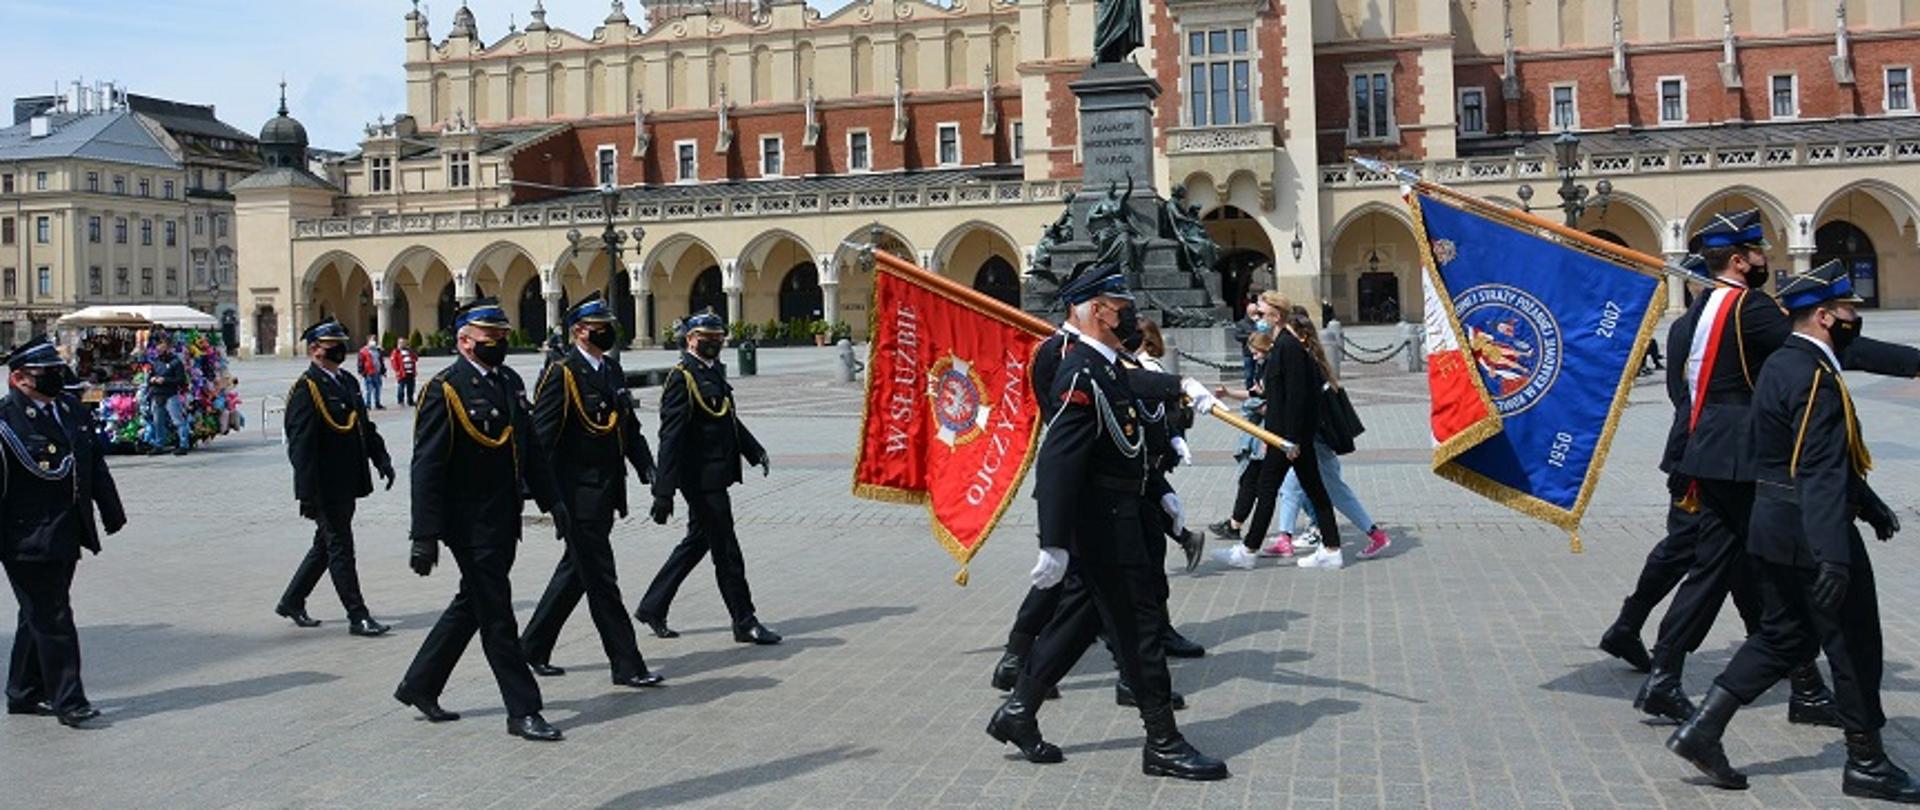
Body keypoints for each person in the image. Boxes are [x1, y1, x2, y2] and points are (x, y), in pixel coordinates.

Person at [1630, 211, 1920, 727]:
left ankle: (1671, 677)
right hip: (1747, 460)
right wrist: (1914, 361)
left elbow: (1682, 388)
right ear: (1740, 260)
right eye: (1759, 251)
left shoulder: (1698, 311)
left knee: (1718, 567)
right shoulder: (1751, 308)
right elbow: (1824, 347)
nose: (1767, 259)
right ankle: (1805, 689)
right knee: (1789, 573)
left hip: (1704, 451)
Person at [985, 263, 1227, 781]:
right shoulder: (1080, 372)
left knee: (1081, 619)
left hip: (1119, 510)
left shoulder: (1106, 367)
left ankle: (1018, 709)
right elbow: (1058, 460)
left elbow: (1128, 433)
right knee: (1139, 627)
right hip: (1101, 523)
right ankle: (1162, 740)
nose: (1130, 317)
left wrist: (1159, 486)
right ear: (1096, 310)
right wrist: (1052, 542)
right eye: (1121, 309)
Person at [396, 298, 571, 742]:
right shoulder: (445, 388)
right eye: (490, 337)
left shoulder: (509, 382)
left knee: (471, 604)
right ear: (465, 341)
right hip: (468, 525)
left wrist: (554, 503)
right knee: (497, 615)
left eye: (502, 336)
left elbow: (530, 450)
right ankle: (523, 709)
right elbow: (427, 467)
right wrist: (425, 535)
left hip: (503, 517)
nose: (499, 343)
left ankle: (420, 683)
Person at [519, 293, 665, 689]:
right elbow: (542, 438)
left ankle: (531, 647)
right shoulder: (561, 373)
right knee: (601, 579)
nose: (608, 330)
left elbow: (627, 426)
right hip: (575, 495)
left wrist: (647, 467)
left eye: (608, 323)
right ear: (580, 331)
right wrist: (540, 495)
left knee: (575, 573)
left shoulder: (612, 370)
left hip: (605, 491)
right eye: (600, 324)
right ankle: (627, 663)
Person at [633, 309, 781, 645]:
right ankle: (744, 621)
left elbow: (727, 419)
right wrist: (663, 493)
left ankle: (652, 606)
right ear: (690, 339)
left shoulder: (711, 373)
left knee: (697, 542)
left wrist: (753, 450)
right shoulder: (682, 378)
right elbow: (670, 439)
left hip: (716, 474)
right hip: (700, 480)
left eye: (718, 337)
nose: (714, 342)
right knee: (726, 551)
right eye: (707, 337)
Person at [1, 337, 125, 728]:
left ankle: (22, 692)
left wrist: (110, 510)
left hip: (68, 529)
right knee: (53, 614)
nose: (58, 376)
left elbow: (92, 462)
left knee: (36, 613)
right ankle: (69, 699)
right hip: (25, 537)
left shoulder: (69, 409)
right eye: (47, 372)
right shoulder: (7, 421)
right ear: (19, 379)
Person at [275, 318, 395, 637]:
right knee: (340, 546)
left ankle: (292, 599)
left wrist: (381, 458)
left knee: (326, 545)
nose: (341, 350)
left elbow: (363, 426)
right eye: (333, 345)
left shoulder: (347, 381)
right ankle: (358, 615)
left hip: (349, 479)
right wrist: (306, 494)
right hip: (324, 485)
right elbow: (300, 448)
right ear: (315, 350)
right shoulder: (306, 388)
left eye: (342, 343)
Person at [1215, 291, 1340, 570]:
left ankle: (1249, 551)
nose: (1257, 316)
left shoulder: (1287, 347)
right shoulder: (1283, 344)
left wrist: (1289, 440)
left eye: (1261, 312)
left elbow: (1296, 398)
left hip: (1287, 437)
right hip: (1286, 436)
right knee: (1313, 489)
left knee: (1269, 487)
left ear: (1276, 314)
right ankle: (1331, 548)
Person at [1262, 307, 1390, 561]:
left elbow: (1302, 403)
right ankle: (1285, 538)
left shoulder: (1304, 360)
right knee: (1293, 487)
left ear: (1300, 337)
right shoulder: (1310, 357)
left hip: (1315, 439)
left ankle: (1373, 535)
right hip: (1313, 437)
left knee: (1331, 489)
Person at [1207, 331, 1273, 543]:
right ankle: (1235, 525)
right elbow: (1255, 394)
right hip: (1264, 433)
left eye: (1256, 353)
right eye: (1252, 354)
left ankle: (1315, 527)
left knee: (1292, 489)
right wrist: (1228, 393)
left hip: (1270, 434)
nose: (1254, 357)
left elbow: (1270, 404)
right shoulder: (1264, 366)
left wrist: (1258, 406)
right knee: (1252, 480)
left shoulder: (1273, 366)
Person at [145, 333, 191, 455]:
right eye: (158, 346)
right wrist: (152, 379)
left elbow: (181, 380)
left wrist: (165, 380)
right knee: (157, 422)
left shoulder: (176, 362)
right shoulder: (155, 362)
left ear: (168, 347)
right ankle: (159, 444)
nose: (159, 349)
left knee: (178, 421)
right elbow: (149, 377)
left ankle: (184, 444)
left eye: (162, 346)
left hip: (171, 395)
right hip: (157, 395)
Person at [358, 337, 386, 410]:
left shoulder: (378, 350)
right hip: (368, 373)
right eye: (372, 340)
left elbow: (381, 361)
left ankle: (377, 403)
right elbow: (360, 362)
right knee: (368, 390)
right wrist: (361, 371)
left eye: (374, 340)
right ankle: (368, 404)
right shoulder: (363, 351)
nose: (373, 342)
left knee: (378, 389)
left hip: (377, 373)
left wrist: (383, 371)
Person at [390, 337, 420, 407]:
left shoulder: (409, 351)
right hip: (402, 373)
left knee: (411, 387)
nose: (402, 344)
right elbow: (394, 362)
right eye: (401, 343)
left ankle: (410, 401)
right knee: (401, 388)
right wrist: (397, 371)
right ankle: (400, 401)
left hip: (410, 372)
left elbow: (416, 358)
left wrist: (412, 351)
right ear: (398, 344)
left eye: (404, 343)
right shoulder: (396, 352)